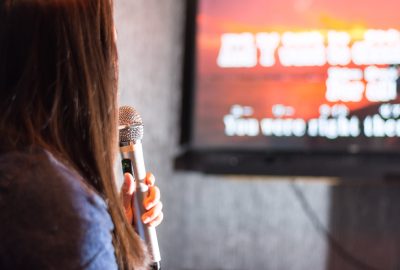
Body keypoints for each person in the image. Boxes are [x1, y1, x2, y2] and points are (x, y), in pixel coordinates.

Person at [0, 0, 163, 269]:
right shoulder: (55, 208)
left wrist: (115, 237)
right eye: (110, 38)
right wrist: (90, 230)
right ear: (85, 62)